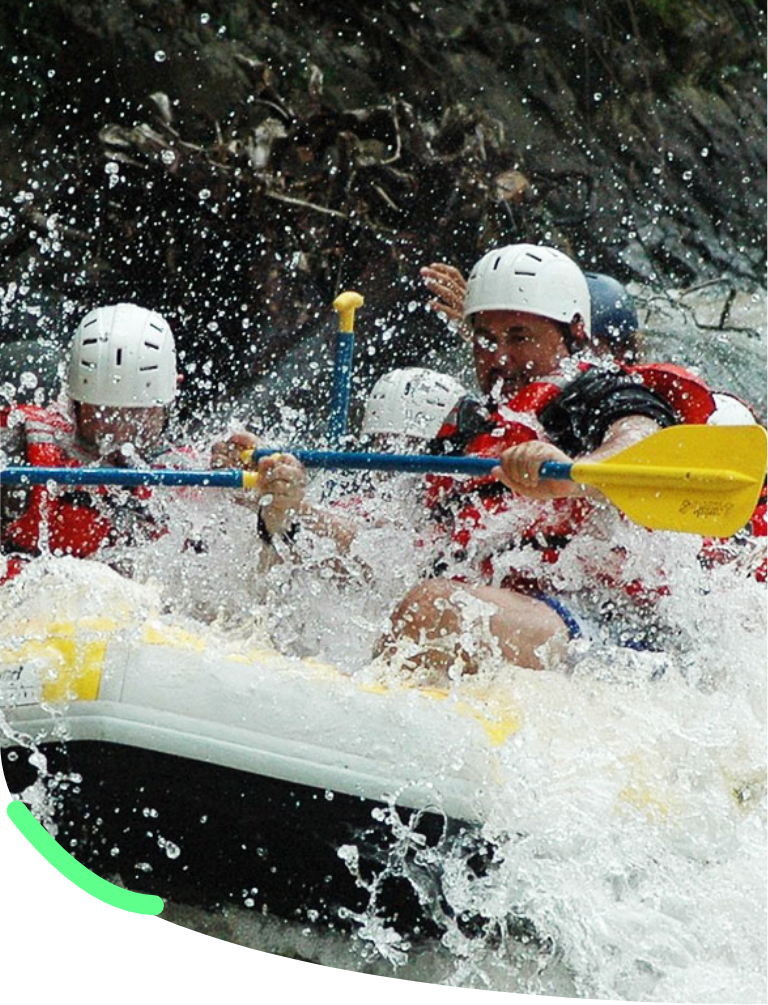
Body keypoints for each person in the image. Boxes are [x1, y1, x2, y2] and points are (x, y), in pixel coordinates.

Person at [382, 243, 752, 678]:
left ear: (575, 334)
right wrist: (291, 515)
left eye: (519, 338)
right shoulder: (474, 427)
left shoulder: (598, 394)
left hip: (619, 628)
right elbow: (392, 536)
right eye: (486, 340)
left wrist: (573, 474)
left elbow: (636, 437)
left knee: (435, 609)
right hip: (526, 613)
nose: (499, 357)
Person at [0, 302, 183, 582]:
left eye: (138, 413)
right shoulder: (21, 444)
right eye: (103, 411)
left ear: (172, 395)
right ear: (73, 401)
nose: (120, 428)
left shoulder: (187, 472)